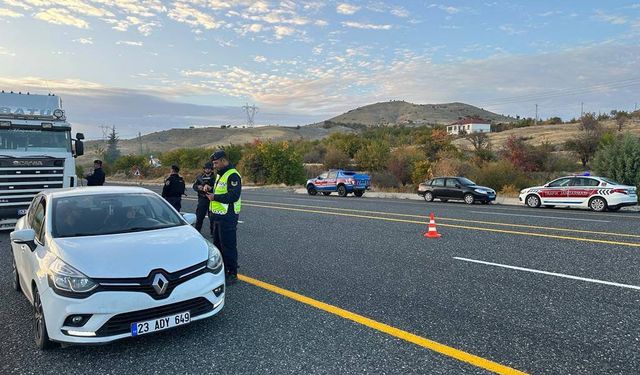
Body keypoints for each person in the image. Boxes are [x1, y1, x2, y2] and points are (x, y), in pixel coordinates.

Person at [207, 150, 241, 283]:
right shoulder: (220, 174)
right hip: (217, 217)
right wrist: (209, 190)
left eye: (216, 163)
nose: (214, 166)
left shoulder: (232, 175)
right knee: (218, 246)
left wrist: (215, 197)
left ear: (223, 160)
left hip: (228, 217)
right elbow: (219, 191)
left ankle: (232, 273)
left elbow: (234, 195)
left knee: (228, 246)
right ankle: (223, 270)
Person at [192, 162, 215, 235]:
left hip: (211, 199)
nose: (207, 170)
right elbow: (194, 186)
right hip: (202, 199)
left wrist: (210, 188)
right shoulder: (200, 177)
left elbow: (218, 187)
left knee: (212, 218)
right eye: (206, 168)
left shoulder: (215, 178)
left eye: (209, 168)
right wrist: (199, 187)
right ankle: (197, 232)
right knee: (199, 216)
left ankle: (213, 233)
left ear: (211, 169)